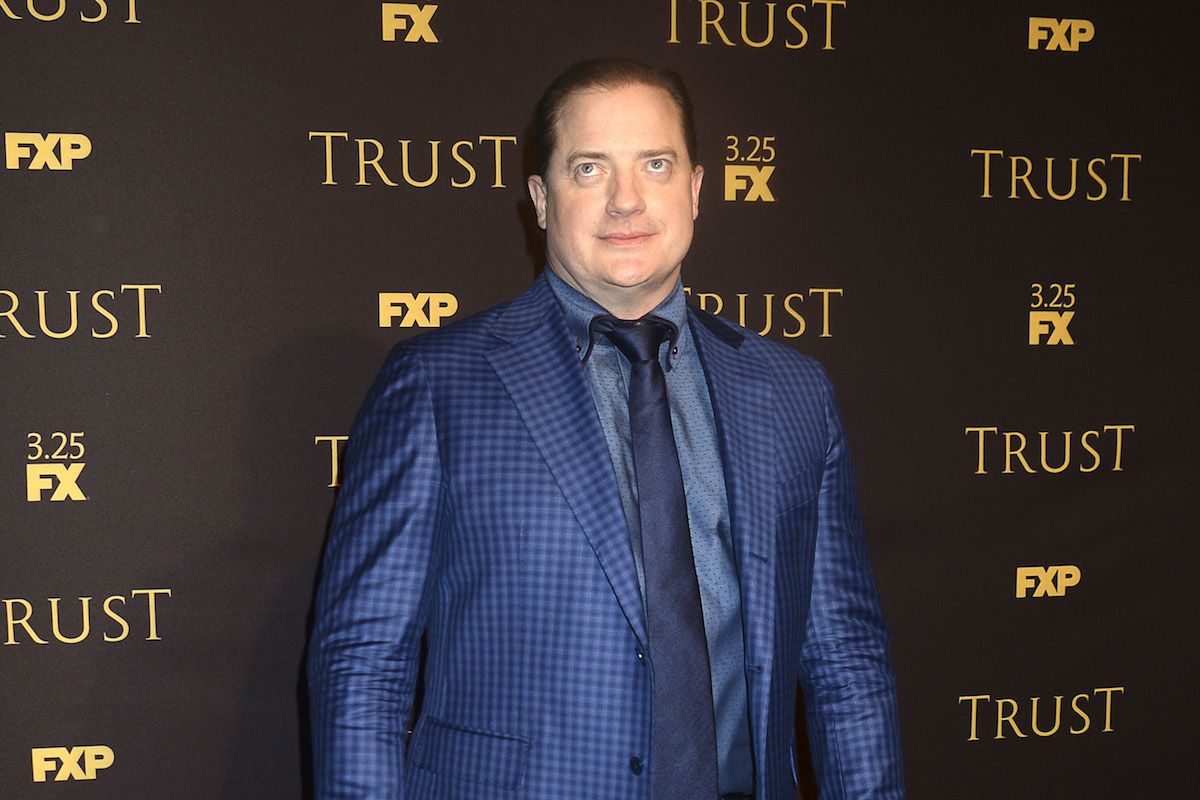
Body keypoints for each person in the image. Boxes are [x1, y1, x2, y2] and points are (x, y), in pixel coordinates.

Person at [307, 57, 903, 800]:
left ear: (695, 190)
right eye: (589, 169)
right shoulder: (438, 385)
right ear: (541, 200)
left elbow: (847, 660)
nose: (627, 200)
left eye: (656, 164)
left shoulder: (792, 392)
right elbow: (363, 664)